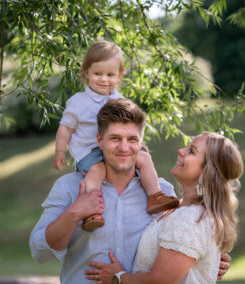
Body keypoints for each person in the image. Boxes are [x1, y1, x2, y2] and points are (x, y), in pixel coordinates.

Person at [30, 99, 231, 283]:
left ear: (141, 143)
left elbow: (182, 242)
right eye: (115, 138)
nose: (124, 147)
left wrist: (208, 259)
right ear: (99, 141)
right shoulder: (70, 187)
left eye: (132, 139)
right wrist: (74, 213)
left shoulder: (162, 193)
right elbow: (40, 253)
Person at [52, 39, 178, 231]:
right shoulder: (78, 102)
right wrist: (60, 151)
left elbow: (135, 124)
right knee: (97, 171)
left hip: (116, 147)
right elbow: (65, 128)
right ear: (86, 73)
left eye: (110, 74)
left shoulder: (119, 100)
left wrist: (138, 144)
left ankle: (155, 196)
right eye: (98, 74)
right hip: (89, 152)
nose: (104, 79)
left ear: (119, 76)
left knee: (144, 158)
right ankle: (91, 211)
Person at [85, 131, 243, 284]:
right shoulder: (178, 207)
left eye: (191, 151)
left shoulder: (191, 217)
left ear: (206, 173)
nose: (181, 151)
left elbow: (161, 281)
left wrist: (118, 277)